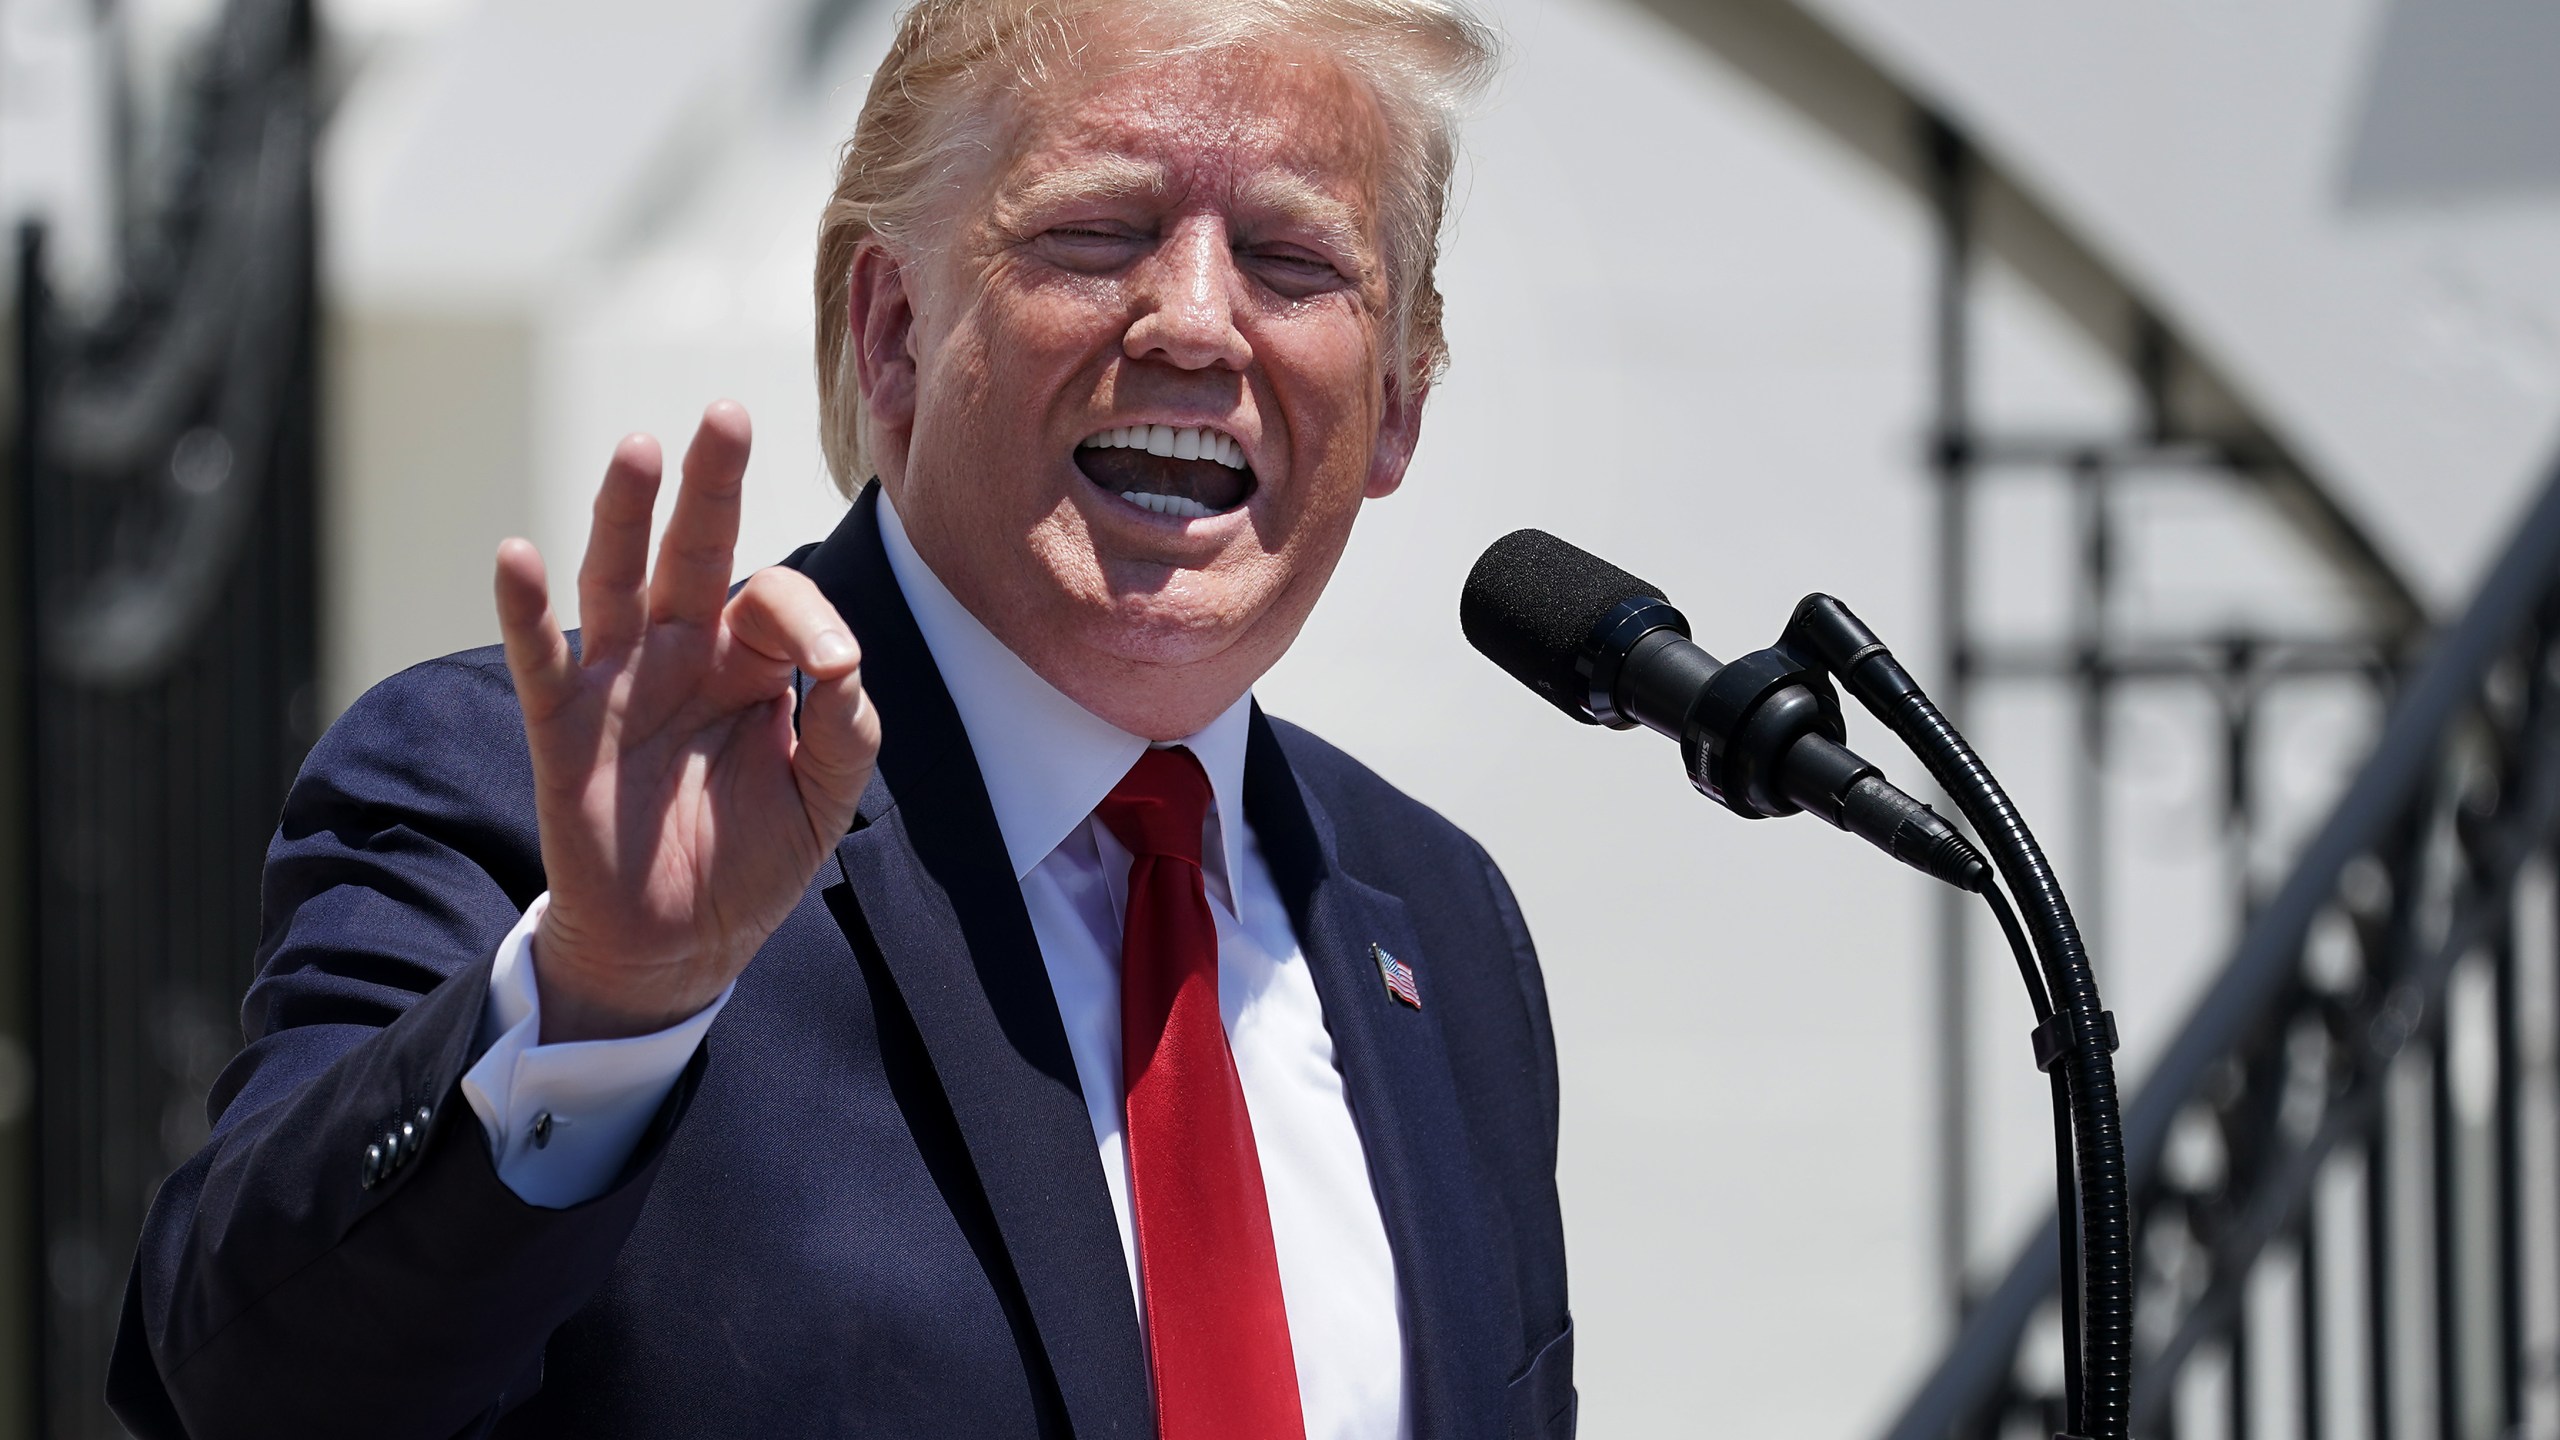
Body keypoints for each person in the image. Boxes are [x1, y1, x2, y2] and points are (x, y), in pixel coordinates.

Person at [109, 0, 1572, 1434]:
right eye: (1096, 232)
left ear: (1396, 407)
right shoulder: (537, 802)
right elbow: (242, 1387)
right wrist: (602, 1003)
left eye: (1291, 259)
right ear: (892, 333)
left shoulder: (1439, 920)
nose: (1196, 318)